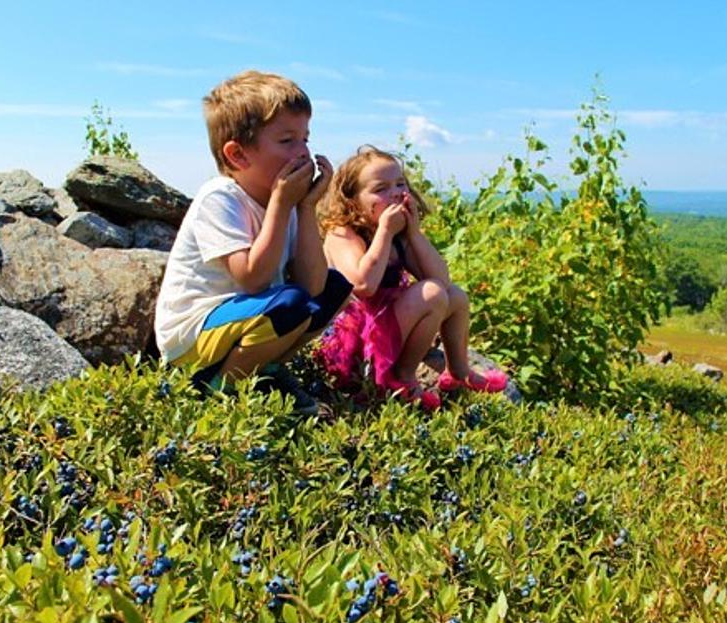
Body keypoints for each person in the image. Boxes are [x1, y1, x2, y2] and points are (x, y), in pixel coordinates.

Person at [154, 71, 352, 415]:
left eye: (305, 138)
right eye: (287, 140)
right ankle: (219, 392)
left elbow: (314, 284)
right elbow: (253, 278)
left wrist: (304, 207)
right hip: (191, 337)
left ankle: (265, 370)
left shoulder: (288, 202)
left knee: (332, 287)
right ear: (238, 155)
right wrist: (280, 204)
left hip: (245, 322)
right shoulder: (220, 198)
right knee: (289, 304)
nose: (303, 151)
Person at [317, 145, 507, 410]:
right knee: (431, 294)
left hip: (388, 327)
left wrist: (414, 235)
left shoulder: (400, 235)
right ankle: (402, 378)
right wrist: (384, 232)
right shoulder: (342, 234)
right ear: (352, 201)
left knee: (456, 296)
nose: (395, 193)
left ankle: (458, 372)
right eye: (380, 189)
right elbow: (363, 285)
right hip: (358, 344)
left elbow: (442, 279)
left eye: (400, 184)